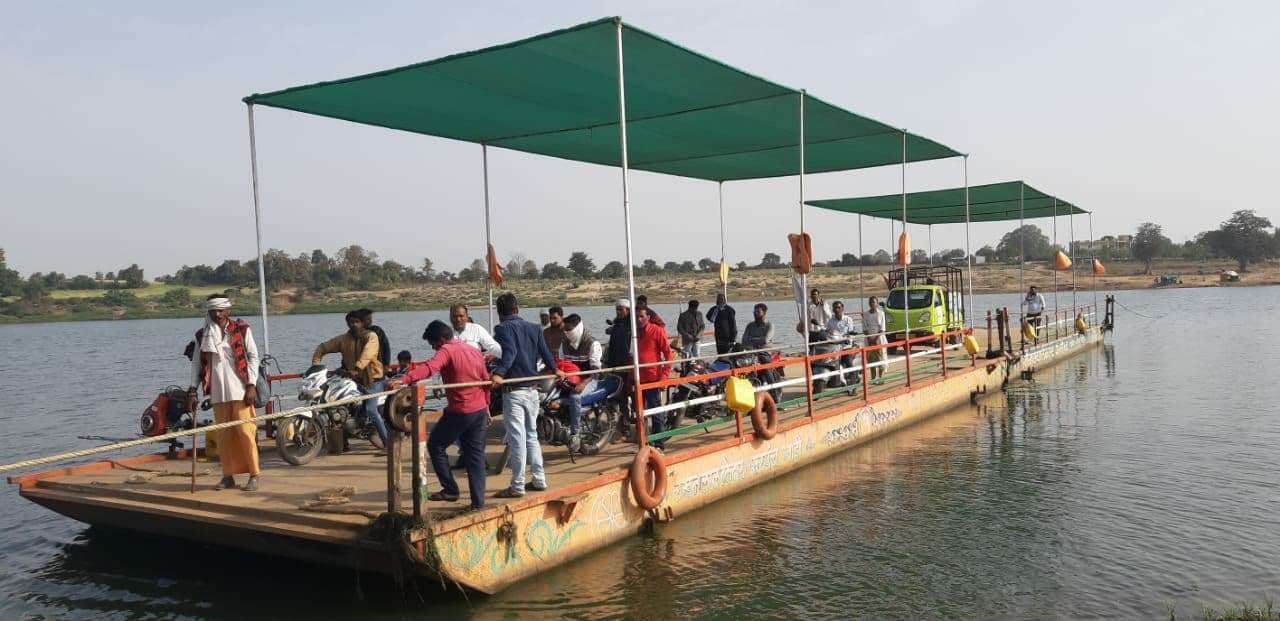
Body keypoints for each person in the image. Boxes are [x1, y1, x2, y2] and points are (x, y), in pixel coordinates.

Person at [387, 321, 490, 510]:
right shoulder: (473, 349)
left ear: (442, 339)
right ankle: (478, 503)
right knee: (475, 456)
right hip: (479, 409)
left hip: (460, 410)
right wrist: (487, 406)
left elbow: (429, 368)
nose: (434, 348)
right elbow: (486, 379)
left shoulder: (447, 350)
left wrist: (403, 379)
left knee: (436, 445)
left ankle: (450, 490)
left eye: (433, 344)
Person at [490, 293, 563, 498]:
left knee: (517, 439)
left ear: (499, 312)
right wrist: (555, 368)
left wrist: (498, 374)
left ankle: (518, 486)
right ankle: (539, 480)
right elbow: (545, 352)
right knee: (531, 435)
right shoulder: (534, 328)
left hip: (514, 391)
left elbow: (510, 353)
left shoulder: (503, 328)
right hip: (532, 389)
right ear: (517, 308)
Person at [188, 295, 261, 491]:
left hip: (241, 391)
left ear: (228, 311)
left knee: (246, 432)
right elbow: (197, 363)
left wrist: (251, 384)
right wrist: (193, 389)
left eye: (221, 310)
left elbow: (254, 357)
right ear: (209, 312)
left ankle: (254, 475)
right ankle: (227, 476)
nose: (217, 314)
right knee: (224, 436)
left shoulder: (241, 329)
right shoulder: (202, 335)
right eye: (213, 311)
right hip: (218, 393)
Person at [311, 309, 389, 445]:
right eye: (351, 322)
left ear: (362, 323)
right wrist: (315, 365)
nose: (354, 324)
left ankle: (388, 443)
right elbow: (324, 347)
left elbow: (368, 354)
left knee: (371, 409)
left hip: (373, 381)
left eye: (357, 322)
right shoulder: (343, 339)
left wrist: (357, 368)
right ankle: (344, 443)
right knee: (339, 402)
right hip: (355, 380)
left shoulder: (371, 336)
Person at [559, 313, 603, 452]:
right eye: (565, 329)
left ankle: (575, 434)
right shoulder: (564, 343)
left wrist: (583, 383)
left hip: (589, 379)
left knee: (574, 397)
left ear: (578, 327)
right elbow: (561, 363)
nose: (567, 332)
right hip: (571, 379)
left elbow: (596, 370)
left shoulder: (592, 343)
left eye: (569, 329)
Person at [635, 307, 673, 449]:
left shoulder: (656, 331)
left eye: (641, 317)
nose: (639, 320)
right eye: (637, 317)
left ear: (648, 317)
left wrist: (664, 377)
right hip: (638, 379)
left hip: (653, 379)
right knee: (639, 413)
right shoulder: (634, 334)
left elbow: (668, 355)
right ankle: (643, 443)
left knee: (656, 412)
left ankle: (659, 443)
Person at [825, 300, 860, 369]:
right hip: (835, 347)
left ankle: (853, 376)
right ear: (833, 309)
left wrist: (847, 339)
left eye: (838, 307)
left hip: (847, 346)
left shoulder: (848, 319)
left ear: (842, 308)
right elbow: (828, 332)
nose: (837, 309)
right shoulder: (830, 321)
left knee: (848, 361)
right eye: (835, 308)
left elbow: (851, 333)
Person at [862, 296, 887, 383]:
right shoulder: (865, 314)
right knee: (871, 359)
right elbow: (864, 328)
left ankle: (880, 378)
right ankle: (873, 379)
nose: (872, 303)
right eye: (871, 302)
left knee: (881, 358)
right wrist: (870, 338)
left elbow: (882, 328)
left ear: (877, 303)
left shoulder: (881, 313)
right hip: (869, 339)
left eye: (874, 302)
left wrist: (875, 338)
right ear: (869, 304)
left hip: (879, 339)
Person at [604, 299, 632, 368]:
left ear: (628, 310)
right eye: (617, 309)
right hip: (614, 359)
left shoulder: (633, 324)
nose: (618, 312)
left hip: (626, 359)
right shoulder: (617, 322)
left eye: (621, 309)